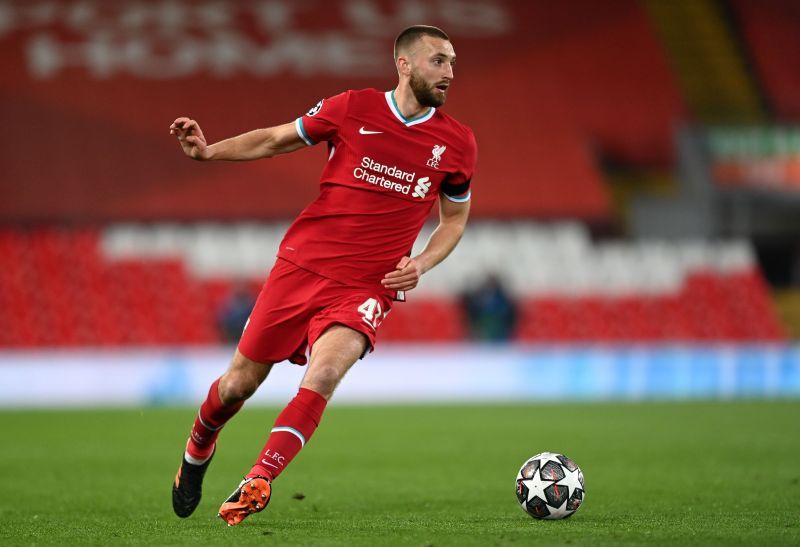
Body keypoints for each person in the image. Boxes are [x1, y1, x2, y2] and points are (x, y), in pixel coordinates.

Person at [169, 25, 477, 526]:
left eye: (452, 63)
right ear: (404, 64)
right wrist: (208, 151)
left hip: (366, 286)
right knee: (237, 386)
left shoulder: (458, 143)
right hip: (301, 267)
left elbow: (455, 219)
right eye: (438, 61)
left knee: (327, 371)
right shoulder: (352, 107)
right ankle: (199, 446)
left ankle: (260, 478)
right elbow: (274, 140)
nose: (448, 73)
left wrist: (420, 262)